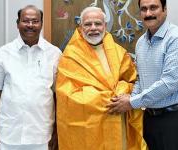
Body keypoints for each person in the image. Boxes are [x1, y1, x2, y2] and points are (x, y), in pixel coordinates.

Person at [107, 0, 178, 149]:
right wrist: (128, 99)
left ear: (164, 9)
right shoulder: (141, 43)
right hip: (150, 118)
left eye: (153, 8)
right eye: (144, 9)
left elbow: (168, 84)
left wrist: (131, 102)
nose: (148, 13)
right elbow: (140, 79)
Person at [55, 7, 147, 150]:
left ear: (104, 26)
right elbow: (66, 95)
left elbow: (133, 82)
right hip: (87, 129)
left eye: (98, 23)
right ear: (80, 27)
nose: (93, 28)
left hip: (118, 124)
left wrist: (123, 92)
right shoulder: (70, 56)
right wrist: (111, 98)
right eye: (88, 24)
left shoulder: (119, 52)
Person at [0, 5, 61, 150]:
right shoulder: (3, 53)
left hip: (42, 135)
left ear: (41, 24)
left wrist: (57, 132)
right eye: (26, 21)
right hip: (9, 134)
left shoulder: (54, 54)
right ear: (18, 24)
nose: (30, 25)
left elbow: (58, 95)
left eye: (35, 21)